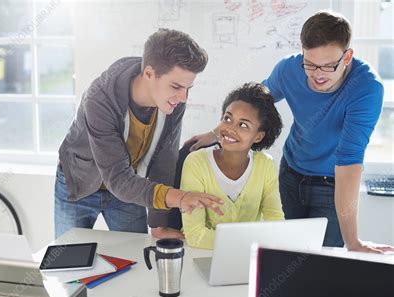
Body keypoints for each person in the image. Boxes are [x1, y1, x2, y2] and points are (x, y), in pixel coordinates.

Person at [186, 11, 393, 253]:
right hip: (291, 174)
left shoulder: (366, 89)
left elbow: (348, 160)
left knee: (322, 262)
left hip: (332, 185)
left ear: (347, 57)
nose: (317, 74)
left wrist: (353, 243)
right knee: (283, 254)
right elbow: (252, 105)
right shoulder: (289, 69)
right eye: (310, 64)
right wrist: (216, 133)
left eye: (328, 66)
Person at [55, 28, 224, 240]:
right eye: (176, 86)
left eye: (188, 88)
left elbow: (165, 160)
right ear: (149, 74)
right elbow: (116, 178)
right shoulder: (99, 99)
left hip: (130, 184)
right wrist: (179, 198)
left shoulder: (174, 100)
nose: (183, 97)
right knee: (67, 261)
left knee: (135, 259)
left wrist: (158, 223)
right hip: (80, 182)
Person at [181, 83, 285, 249]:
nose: (229, 129)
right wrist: (252, 243)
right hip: (201, 255)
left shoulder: (265, 164)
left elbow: (276, 222)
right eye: (227, 118)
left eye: (243, 125)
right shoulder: (196, 162)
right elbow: (195, 235)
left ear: (258, 136)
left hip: (246, 260)